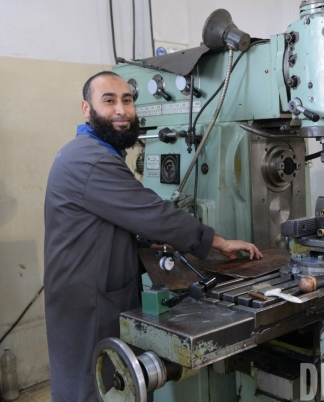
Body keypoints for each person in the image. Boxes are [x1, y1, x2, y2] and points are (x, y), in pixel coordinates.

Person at [43, 71, 263, 401]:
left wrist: (151, 244)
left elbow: (111, 225)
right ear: (86, 109)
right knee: (95, 387)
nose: (121, 110)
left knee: (102, 382)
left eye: (127, 100)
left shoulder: (95, 153)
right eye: (109, 101)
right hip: (88, 303)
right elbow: (152, 213)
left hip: (90, 291)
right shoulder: (90, 159)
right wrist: (216, 241)